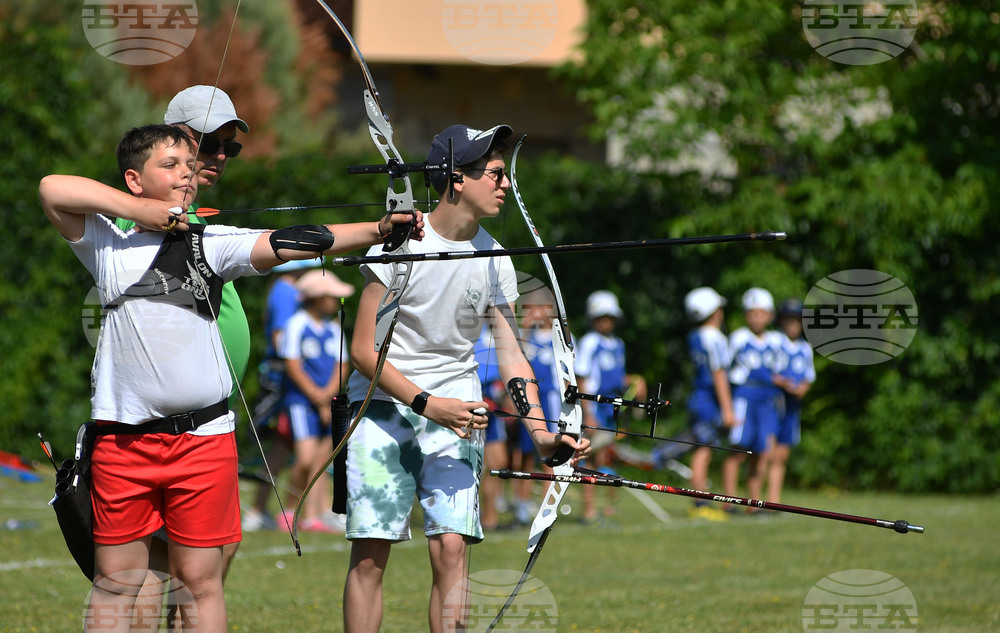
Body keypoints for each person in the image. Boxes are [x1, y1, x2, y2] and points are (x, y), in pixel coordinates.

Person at [39, 123, 420, 633]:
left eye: (188, 165)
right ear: (134, 179)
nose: (186, 174)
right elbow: (52, 188)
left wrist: (379, 229)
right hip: (123, 442)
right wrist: (139, 212)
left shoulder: (210, 243)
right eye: (169, 165)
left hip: (202, 442)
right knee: (116, 581)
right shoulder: (106, 244)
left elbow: (292, 241)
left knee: (200, 582)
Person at [341, 123, 589, 633]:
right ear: (456, 178)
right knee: (370, 556)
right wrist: (426, 403)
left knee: (452, 551)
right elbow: (363, 351)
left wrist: (542, 435)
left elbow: (512, 355)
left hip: (458, 414)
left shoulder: (494, 258)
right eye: (495, 173)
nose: (505, 183)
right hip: (383, 411)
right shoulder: (398, 244)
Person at [112, 86, 253, 631]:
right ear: (177, 136)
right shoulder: (147, 216)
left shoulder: (196, 219)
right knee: (155, 563)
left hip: (209, 421)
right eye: (208, 143)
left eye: (228, 147)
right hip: (164, 428)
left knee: (212, 557)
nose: (218, 156)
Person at [243, 257, 323, 533]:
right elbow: (280, 336)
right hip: (284, 379)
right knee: (285, 444)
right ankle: (269, 510)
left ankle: (261, 509)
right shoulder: (287, 291)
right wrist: (299, 364)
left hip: (282, 376)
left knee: (283, 444)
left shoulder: (281, 288)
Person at [279, 269, 355, 533]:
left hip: (327, 403)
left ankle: (312, 515)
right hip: (301, 402)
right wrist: (317, 396)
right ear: (318, 298)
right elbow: (292, 364)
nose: (335, 302)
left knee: (322, 460)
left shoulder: (334, 329)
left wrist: (328, 395)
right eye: (331, 297)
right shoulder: (296, 324)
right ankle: (290, 509)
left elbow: (342, 365)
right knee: (304, 458)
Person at [575, 290, 637, 524]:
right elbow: (582, 378)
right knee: (590, 458)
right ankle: (589, 510)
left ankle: (603, 509)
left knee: (604, 457)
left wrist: (635, 382)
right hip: (595, 407)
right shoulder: (590, 342)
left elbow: (618, 378)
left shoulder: (618, 344)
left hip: (612, 408)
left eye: (609, 317)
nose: (606, 321)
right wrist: (587, 412)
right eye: (601, 317)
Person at [722, 287, 783, 509]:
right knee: (738, 450)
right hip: (744, 397)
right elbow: (725, 369)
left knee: (761, 452)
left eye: (761, 313)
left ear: (770, 315)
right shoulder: (739, 338)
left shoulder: (776, 341)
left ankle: (753, 503)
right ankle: (729, 501)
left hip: (767, 399)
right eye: (752, 313)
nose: (756, 318)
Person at [679, 287, 734, 520]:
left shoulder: (695, 336)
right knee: (704, 450)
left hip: (697, 398)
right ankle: (700, 503)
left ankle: (701, 501)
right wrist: (728, 409)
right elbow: (719, 374)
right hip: (709, 401)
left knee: (702, 449)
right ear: (714, 312)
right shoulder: (715, 337)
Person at [770, 298, 815, 503]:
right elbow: (767, 372)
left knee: (781, 456)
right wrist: (783, 383)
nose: (793, 324)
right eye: (788, 319)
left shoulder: (805, 348)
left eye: (797, 320)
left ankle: (773, 501)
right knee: (766, 454)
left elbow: (808, 377)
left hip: (791, 408)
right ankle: (754, 502)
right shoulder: (774, 341)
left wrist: (801, 389)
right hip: (772, 405)